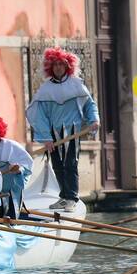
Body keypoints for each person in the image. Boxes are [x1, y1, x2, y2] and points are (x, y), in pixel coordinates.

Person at [27, 47, 100, 211]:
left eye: (61, 64)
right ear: (50, 67)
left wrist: (94, 119)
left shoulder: (76, 85)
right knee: (57, 165)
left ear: (67, 66)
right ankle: (64, 196)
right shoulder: (45, 89)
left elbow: (89, 105)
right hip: (53, 134)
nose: (58, 67)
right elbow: (40, 115)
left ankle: (72, 197)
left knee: (70, 164)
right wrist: (46, 136)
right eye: (55, 64)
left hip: (72, 131)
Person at [0, 115, 34, 219]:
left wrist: (18, 169)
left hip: (12, 190)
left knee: (11, 217)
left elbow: (27, 163)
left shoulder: (10, 145)